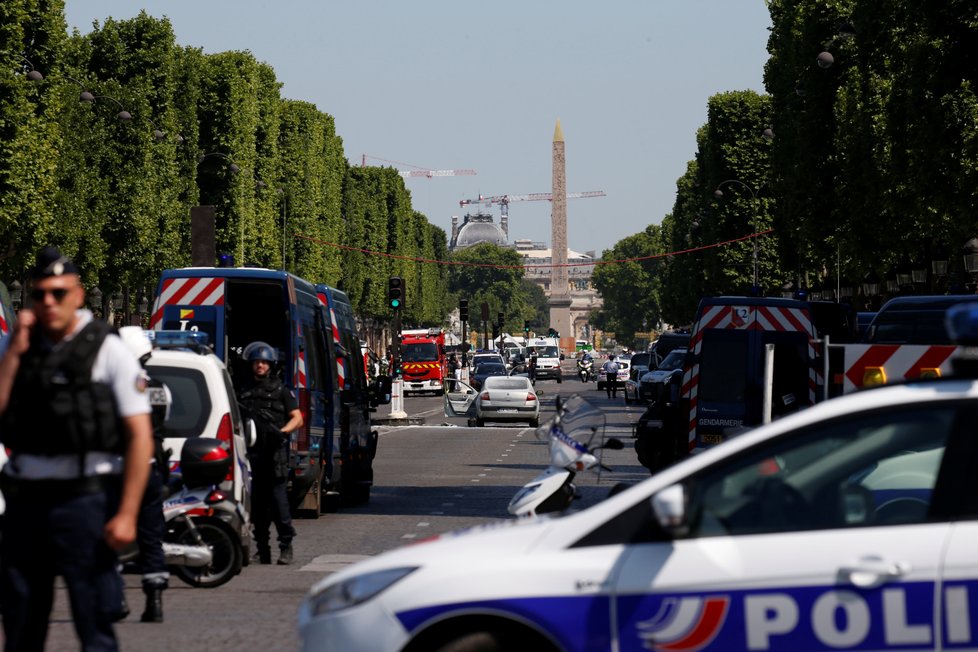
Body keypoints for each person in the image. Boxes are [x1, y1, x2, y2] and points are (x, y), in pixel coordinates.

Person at [0, 246, 154, 651]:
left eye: (59, 293)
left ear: (79, 295)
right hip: (26, 501)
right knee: (20, 623)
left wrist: (127, 513)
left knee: (94, 620)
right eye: (41, 294)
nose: (49, 303)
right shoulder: (20, 348)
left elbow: (140, 435)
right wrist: (15, 351)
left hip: (84, 498)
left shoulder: (108, 349)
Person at [118, 326, 171, 623]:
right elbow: (165, 423)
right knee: (152, 537)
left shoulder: (113, 386)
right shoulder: (160, 387)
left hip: (121, 467)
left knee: (108, 535)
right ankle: (155, 599)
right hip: (151, 467)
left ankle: (116, 597)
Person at [236, 341, 303, 566]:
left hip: (274, 456)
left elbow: (297, 417)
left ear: (270, 365)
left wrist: (282, 432)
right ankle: (262, 550)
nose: (260, 366)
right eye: (257, 362)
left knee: (279, 506)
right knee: (257, 508)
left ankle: (286, 547)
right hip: (251, 456)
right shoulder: (243, 391)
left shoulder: (281, 391)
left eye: (264, 362)